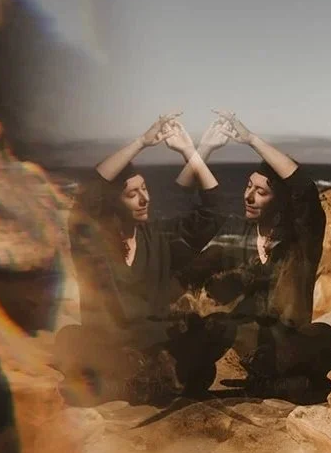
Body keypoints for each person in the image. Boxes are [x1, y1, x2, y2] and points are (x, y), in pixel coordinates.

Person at [56, 113, 223, 403]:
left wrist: (190, 152)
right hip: (110, 348)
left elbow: (212, 215)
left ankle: (133, 383)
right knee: (70, 339)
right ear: (113, 202)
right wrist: (142, 142)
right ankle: (143, 382)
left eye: (145, 189)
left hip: (155, 346)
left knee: (210, 334)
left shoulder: (158, 236)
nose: (144, 198)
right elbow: (88, 193)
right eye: (132, 194)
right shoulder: (92, 243)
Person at [174, 111, 331, 397]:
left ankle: (275, 382)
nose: (248, 196)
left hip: (290, 345)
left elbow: (304, 189)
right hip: (255, 347)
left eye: (261, 192)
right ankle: (187, 376)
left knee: (325, 335)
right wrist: (204, 150)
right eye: (248, 186)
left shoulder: (301, 242)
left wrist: (250, 139)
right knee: (213, 326)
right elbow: (184, 222)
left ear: (281, 201)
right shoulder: (241, 240)